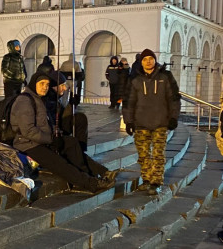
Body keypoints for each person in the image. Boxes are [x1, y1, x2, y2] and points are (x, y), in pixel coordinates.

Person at [10, 70, 116, 193]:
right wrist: (51, 139)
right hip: (27, 144)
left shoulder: (39, 99)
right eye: (42, 84)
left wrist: (57, 135)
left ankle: (88, 175)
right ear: (34, 84)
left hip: (42, 140)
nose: (45, 87)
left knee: (71, 144)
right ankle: (90, 183)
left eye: (47, 84)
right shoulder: (25, 100)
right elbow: (28, 131)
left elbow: (47, 124)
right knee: (58, 162)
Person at [123, 48, 181, 195]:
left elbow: (174, 98)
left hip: (161, 122)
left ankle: (156, 182)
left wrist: (173, 117)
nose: (148, 62)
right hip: (140, 122)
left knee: (158, 154)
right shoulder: (135, 79)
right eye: (145, 59)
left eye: (150, 59)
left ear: (155, 60)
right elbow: (129, 102)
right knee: (143, 155)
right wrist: (128, 122)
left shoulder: (165, 76)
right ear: (141, 62)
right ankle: (147, 179)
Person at [45, 70, 89, 152]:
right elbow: (56, 121)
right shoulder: (48, 101)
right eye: (62, 85)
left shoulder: (56, 99)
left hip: (60, 128)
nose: (65, 88)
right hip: (54, 133)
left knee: (80, 118)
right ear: (54, 86)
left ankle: (81, 149)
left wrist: (71, 105)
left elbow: (64, 117)